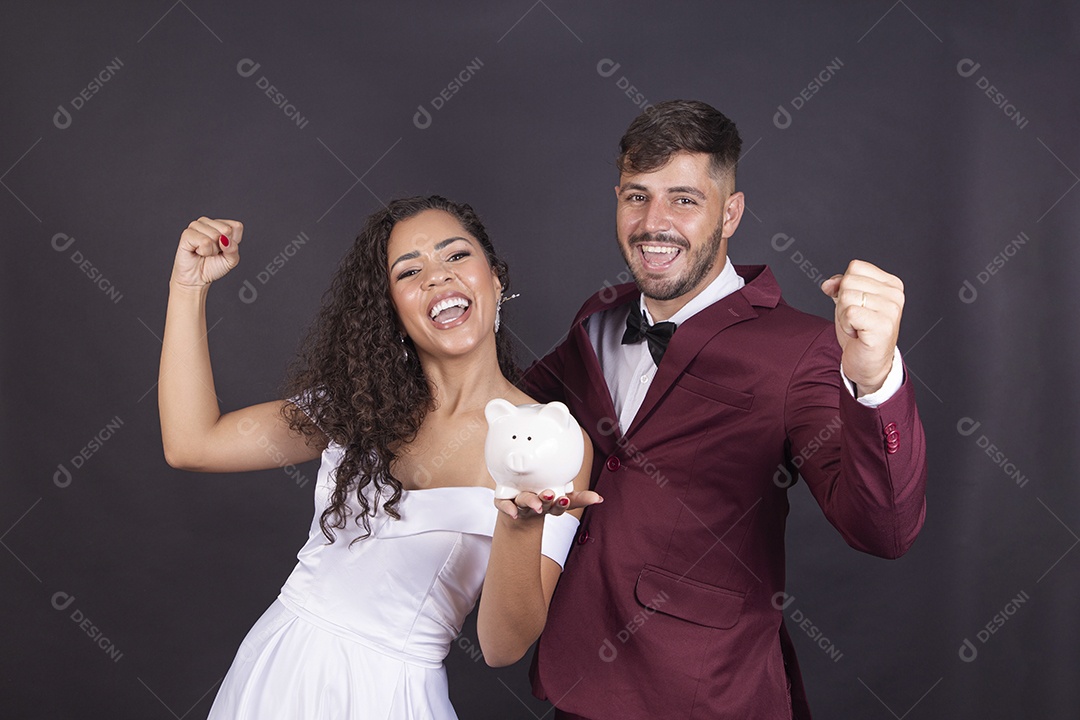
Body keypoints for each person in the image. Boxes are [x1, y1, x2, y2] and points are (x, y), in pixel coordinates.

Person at [522, 100, 928, 719]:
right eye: (637, 196)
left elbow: (883, 530)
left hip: (710, 695)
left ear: (730, 212)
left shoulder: (802, 349)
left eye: (683, 199)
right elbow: (501, 410)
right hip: (576, 681)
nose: (654, 222)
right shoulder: (597, 319)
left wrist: (874, 381)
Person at [158, 195, 598, 719]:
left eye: (456, 256)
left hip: (390, 696)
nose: (437, 278)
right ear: (391, 307)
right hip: (276, 674)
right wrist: (188, 286)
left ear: (496, 279)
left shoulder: (547, 439)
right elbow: (192, 444)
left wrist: (522, 527)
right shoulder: (355, 405)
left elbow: (504, 647)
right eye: (410, 271)